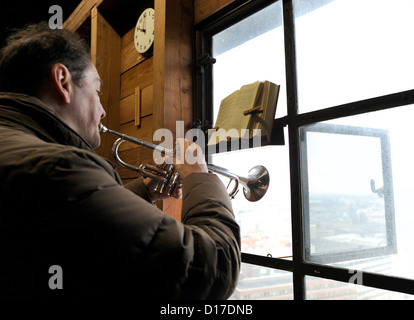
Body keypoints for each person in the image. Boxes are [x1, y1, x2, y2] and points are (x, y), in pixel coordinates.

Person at [0, 23, 240, 299]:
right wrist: (199, 173)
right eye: (98, 91)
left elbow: (80, 227)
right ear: (63, 82)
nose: (102, 112)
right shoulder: (57, 169)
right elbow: (212, 268)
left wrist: (143, 191)